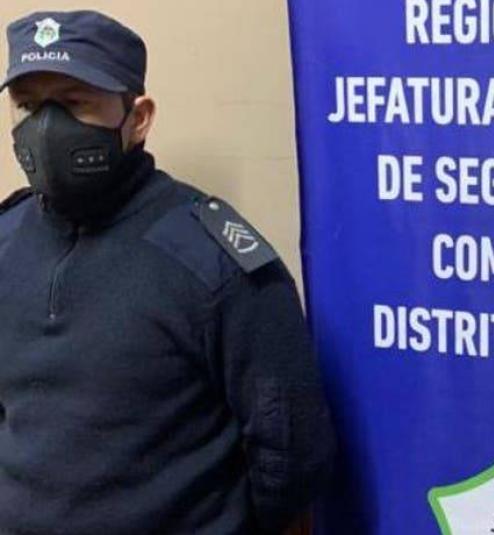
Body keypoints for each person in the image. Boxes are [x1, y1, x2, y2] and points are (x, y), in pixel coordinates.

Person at [0, 10, 335, 533]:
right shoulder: (7, 237)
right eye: (29, 106)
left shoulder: (213, 258)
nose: (45, 129)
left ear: (138, 118)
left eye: (73, 103)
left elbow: (292, 451)